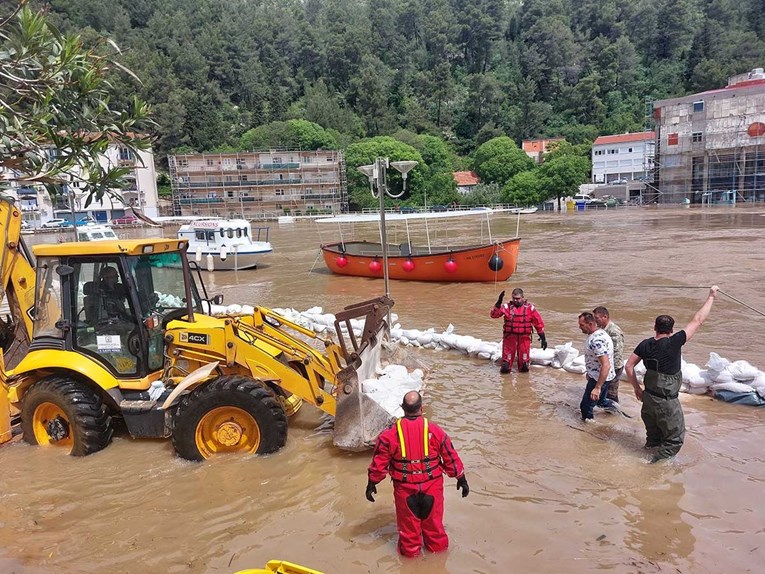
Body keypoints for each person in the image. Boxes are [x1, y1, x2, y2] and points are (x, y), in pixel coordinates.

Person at [366, 391, 468, 558]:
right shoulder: (435, 431)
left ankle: (410, 564)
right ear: (422, 407)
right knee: (435, 532)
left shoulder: (389, 435)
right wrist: (461, 478)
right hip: (432, 488)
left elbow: (379, 463)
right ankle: (439, 563)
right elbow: (450, 456)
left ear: (403, 409)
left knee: (408, 535)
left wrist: (372, 483)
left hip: (405, 491)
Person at [625, 286, 718, 462]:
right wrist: (711, 296)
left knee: (653, 437)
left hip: (648, 400)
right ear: (672, 330)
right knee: (674, 440)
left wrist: (637, 389)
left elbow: (629, 366)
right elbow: (698, 320)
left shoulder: (645, 344)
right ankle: (652, 467)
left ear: (655, 327)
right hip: (666, 402)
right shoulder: (675, 342)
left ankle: (647, 455)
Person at [490, 288, 546, 374]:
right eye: (514, 298)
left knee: (524, 366)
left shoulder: (530, 308)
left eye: (518, 298)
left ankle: (523, 385)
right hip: (509, 339)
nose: (516, 300)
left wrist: (543, 337)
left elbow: (538, 323)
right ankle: (506, 384)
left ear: (523, 297)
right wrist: (498, 303)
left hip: (524, 339)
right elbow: (494, 315)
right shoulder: (506, 307)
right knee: (505, 367)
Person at [578, 312, 616, 421]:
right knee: (601, 401)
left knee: (585, 406)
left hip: (599, 378)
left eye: (582, 325)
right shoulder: (600, 333)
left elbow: (606, 364)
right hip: (602, 376)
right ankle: (616, 412)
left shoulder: (596, 340)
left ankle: (590, 429)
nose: (580, 327)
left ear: (590, 324)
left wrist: (597, 387)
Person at [593, 306, 625, 402]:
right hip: (606, 366)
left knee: (611, 393)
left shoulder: (614, 331)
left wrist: (608, 369)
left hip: (614, 366)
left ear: (605, 317)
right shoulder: (602, 329)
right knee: (604, 391)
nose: (595, 321)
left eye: (597, 318)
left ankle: (613, 413)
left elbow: (617, 352)